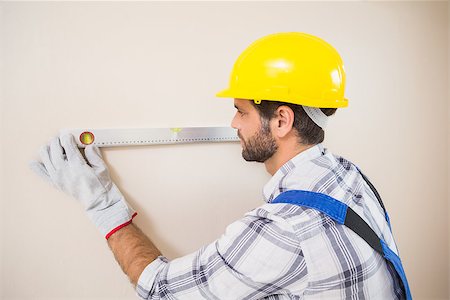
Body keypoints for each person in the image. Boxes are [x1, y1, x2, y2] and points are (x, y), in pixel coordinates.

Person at [30, 32, 411, 299]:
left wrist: (102, 206)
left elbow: (162, 290)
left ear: (281, 120)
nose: (233, 125)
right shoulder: (349, 177)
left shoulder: (282, 229)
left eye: (240, 111)